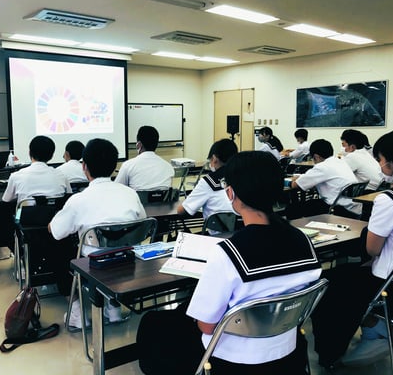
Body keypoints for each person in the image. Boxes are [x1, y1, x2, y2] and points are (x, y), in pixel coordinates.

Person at [137, 151, 321, 374]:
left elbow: (206, 326)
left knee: (154, 323)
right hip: (287, 350)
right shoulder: (303, 240)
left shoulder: (229, 252)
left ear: (231, 193)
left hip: (232, 359)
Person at [311, 128, 393, 369]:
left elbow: (372, 249)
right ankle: (374, 328)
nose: (380, 166)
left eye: (381, 160)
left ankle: (334, 353)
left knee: (327, 285)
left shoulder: (390, 200)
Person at [49, 138, 146, 329]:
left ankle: (77, 313)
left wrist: (52, 225)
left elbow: (57, 233)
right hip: (129, 262)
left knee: (57, 248)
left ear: (84, 166)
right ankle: (113, 307)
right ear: (114, 166)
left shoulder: (79, 200)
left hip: (94, 267)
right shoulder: (130, 193)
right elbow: (142, 222)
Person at [288, 139, 361, 219]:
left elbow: (296, 185)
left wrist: (291, 181)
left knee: (292, 209)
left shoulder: (322, 167)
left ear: (316, 156)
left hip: (338, 209)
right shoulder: (340, 162)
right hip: (354, 208)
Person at [177, 139, 237, 230]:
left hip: (217, 235)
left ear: (214, 158)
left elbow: (182, 210)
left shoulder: (209, 182)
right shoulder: (244, 177)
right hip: (243, 232)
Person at [2, 135, 70, 202]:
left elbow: (6, 199)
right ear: (51, 156)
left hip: (26, 209)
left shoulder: (16, 176)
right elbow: (69, 196)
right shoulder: (62, 176)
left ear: (29, 153)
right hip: (55, 210)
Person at [114, 125, 174, 191]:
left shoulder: (128, 165)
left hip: (136, 198)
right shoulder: (169, 167)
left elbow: (116, 189)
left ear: (139, 144)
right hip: (163, 198)